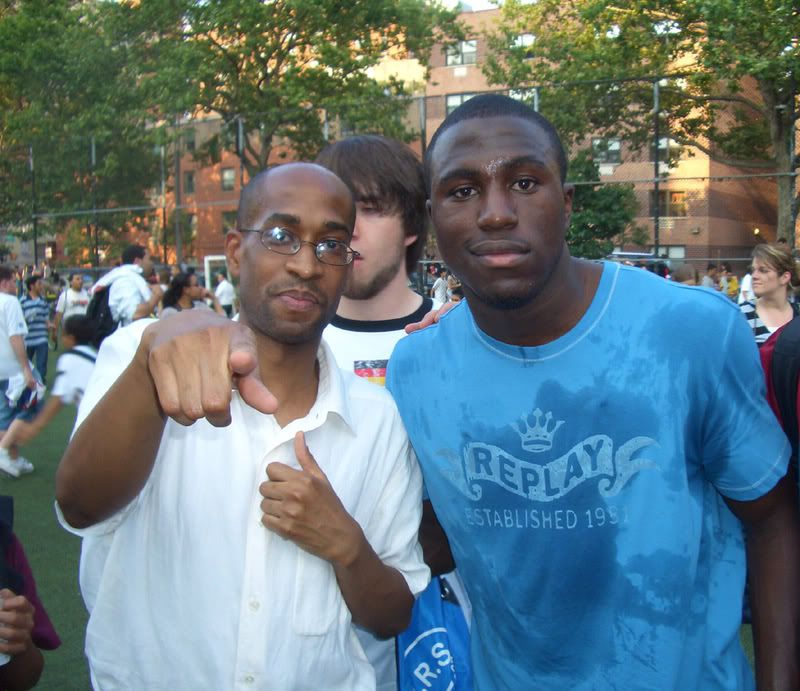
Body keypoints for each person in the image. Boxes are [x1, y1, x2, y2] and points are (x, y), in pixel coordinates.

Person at [387, 94, 799, 689]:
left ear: (566, 202)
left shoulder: (690, 331)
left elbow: (771, 516)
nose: (497, 213)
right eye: (462, 190)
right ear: (431, 220)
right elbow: (442, 542)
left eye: (525, 182)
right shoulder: (417, 369)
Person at [55, 163, 428, 689]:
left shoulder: (376, 418)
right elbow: (79, 505)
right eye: (282, 236)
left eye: (330, 245)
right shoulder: (145, 356)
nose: (305, 265)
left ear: (346, 267)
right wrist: (148, 374)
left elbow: (391, 616)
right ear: (234, 251)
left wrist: (345, 543)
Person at [316, 135, 462, 690]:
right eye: (338, 209)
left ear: (410, 228)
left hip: (446, 619)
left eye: (370, 209)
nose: (348, 227)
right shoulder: (283, 349)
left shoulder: (456, 337)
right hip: (321, 636)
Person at [0, 316, 96, 475]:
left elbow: (58, 400)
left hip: (93, 419)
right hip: (108, 413)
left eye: (63, 335)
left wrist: (34, 428)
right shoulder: (94, 354)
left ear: (71, 339)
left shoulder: (70, 358)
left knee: (78, 467)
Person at [0, 267, 38, 479]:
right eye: (13, 282)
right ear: (4, 283)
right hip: (11, 367)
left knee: (5, 416)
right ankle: (4, 451)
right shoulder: (9, 302)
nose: (16, 286)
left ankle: (13, 458)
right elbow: (15, 336)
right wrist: (25, 368)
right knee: (33, 403)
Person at [740, 243, 800, 346]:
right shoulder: (741, 314)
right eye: (753, 270)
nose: (754, 276)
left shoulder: (798, 313)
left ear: (784, 277)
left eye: (763, 270)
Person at [90, 244, 163, 328]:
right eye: (149, 259)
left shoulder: (133, 279)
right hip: (129, 338)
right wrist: (156, 297)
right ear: (137, 261)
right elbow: (134, 314)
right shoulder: (125, 281)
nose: (151, 263)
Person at [18, 277, 50, 380]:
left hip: (42, 337)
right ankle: (26, 381)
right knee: (27, 364)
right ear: (31, 286)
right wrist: (27, 317)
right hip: (28, 338)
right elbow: (19, 320)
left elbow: (46, 317)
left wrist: (49, 325)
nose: (41, 286)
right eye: (39, 284)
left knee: (42, 364)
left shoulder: (43, 300)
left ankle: (40, 383)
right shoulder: (22, 301)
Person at [159, 272, 225, 318]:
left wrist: (214, 299)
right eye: (196, 285)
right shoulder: (170, 313)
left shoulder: (201, 307)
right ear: (186, 290)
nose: (200, 288)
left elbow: (223, 322)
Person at [51, 273, 90, 346]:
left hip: (84, 328)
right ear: (71, 282)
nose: (80, 281)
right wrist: (54, 332)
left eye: (81, 279)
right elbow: (59, 314)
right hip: (70, 329)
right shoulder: (65, 295)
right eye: (77, 279)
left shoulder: (87, 294)